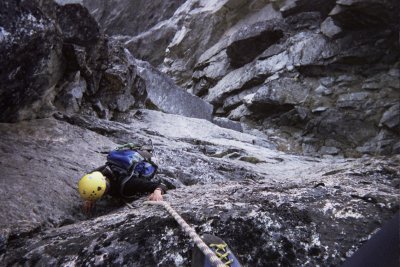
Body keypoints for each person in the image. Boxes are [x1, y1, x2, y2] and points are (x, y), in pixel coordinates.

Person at [77, 143, 167, 213]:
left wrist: (157, 192)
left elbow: (160, 185)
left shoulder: (128, 184)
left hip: (139, 166)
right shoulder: (100, 172)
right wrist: (90, 199)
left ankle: (146, 156)